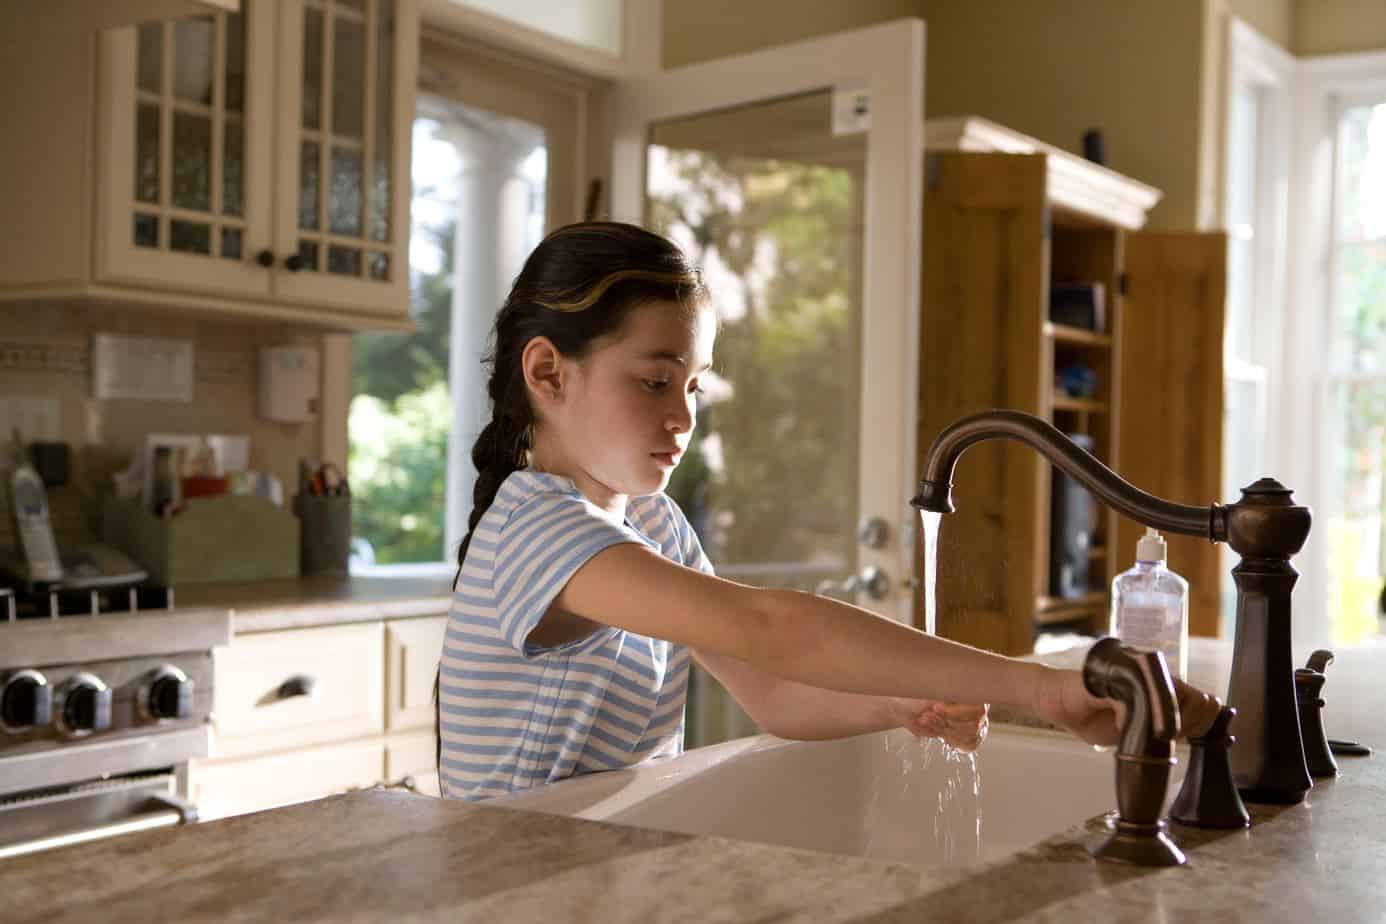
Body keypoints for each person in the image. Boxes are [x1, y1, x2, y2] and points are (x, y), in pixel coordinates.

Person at [435, 221, 1219, 802]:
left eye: (695, 387)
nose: (684, 417)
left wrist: (901, 700)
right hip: (504, 879)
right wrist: (1041, 688)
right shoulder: (533, 529)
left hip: (594, 870)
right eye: (653, 381)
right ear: (548, 372)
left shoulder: (652, 523)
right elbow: (773, 629)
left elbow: (771, 688)